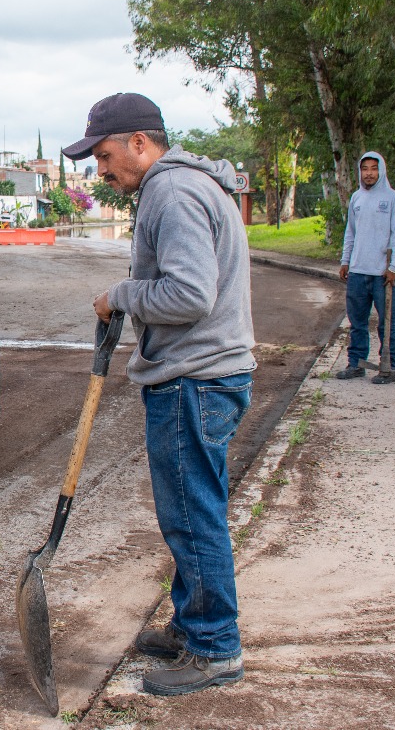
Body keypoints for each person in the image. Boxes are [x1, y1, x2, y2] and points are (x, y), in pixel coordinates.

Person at [65, 93, 256, 697]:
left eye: (104, 155)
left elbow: (190, 294)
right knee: (192, 510)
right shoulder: (186, 186)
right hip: (206, 375)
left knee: (192, 515)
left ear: (140, 143)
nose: (100, 170)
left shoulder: (171, 193)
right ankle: (192, 623)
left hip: (194, 378)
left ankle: (214, 648)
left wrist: (121, 296)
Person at [337, 151, 395, 385]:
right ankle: (356, 364)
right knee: (357, 323)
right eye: (365, 169)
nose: (369, 173)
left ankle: (390, 367)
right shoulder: (356, 198)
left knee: (388, 323)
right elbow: (350, 232)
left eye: (373, 169)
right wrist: (346, 261)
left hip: (382, 274)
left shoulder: (393, 199)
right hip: (358, 271)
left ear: (381, 171)